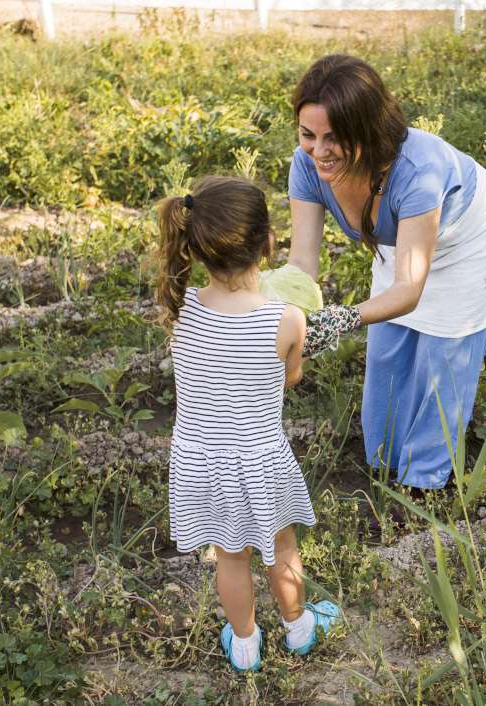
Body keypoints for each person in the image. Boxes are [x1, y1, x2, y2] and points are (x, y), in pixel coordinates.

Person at [288, 54, 486, 493]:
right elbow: (301, 263)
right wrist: (283, 315)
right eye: (308, 134)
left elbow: (408, 289)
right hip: (404, 240)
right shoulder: (307, 166)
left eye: (335, 138)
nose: (319, 151)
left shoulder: (417, 174)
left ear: (367, 131)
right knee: (388, 354)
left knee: (442, 362)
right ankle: (387, 465)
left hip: (464, 238)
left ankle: (426, 484)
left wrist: (341, 319)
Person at [156, 176, 340, 670]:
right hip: (259, 459)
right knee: (281, 547)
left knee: (230, 556)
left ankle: (244, 645)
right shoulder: (285, 319)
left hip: (201, 460)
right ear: (269, 243)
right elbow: (290, 379)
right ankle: (299, 629)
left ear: (194, 249)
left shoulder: (181, 309)